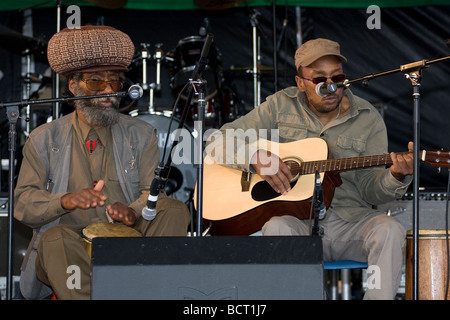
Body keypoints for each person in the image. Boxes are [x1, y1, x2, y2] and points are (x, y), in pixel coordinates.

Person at [206, 38, 414, 300]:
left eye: (337, 77)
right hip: (297, 221)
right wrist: (254, 156)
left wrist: (395, 176)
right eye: (319, 79)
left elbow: (373, 191)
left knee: (389, 229)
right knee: (277, 227)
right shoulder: (279, 106)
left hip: (348, 223)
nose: (330, 87)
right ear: (300, 82)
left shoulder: (367, 117)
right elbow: (215, 141)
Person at [14, 25, 191, 300]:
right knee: (55, 238)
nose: (109, 90)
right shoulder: (43, 138)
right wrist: (66, 200)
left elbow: (152, 195)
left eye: (115, 82)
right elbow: (24, 204)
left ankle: (154, 292)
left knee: (173, 209)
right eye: (97, 82)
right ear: (74, 87)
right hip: (73, 242)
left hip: (129, 239)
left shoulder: (141, 134)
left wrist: (132, 212)